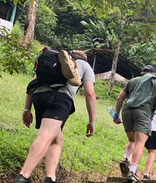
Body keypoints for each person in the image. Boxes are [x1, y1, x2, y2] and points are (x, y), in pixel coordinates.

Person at [15, 50, 96, 183]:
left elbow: (33, 83)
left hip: (39, 96)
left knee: (57, 139)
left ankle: (50, 178)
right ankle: (23, 176)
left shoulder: (56, 61)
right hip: (59, 99)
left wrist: (27, 109)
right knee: (45, 135)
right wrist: (91, 121)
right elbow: (90, 93)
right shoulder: (85, 65)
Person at [115, 65, 156, 183]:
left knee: (132, 140)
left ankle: (126, 158)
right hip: (143, 112)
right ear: (153, 75)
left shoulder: (132, 81)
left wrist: (116, 115)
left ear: (141, 73)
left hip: (127, 110)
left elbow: (120, 98)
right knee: (140, 142)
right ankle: (132, 172)